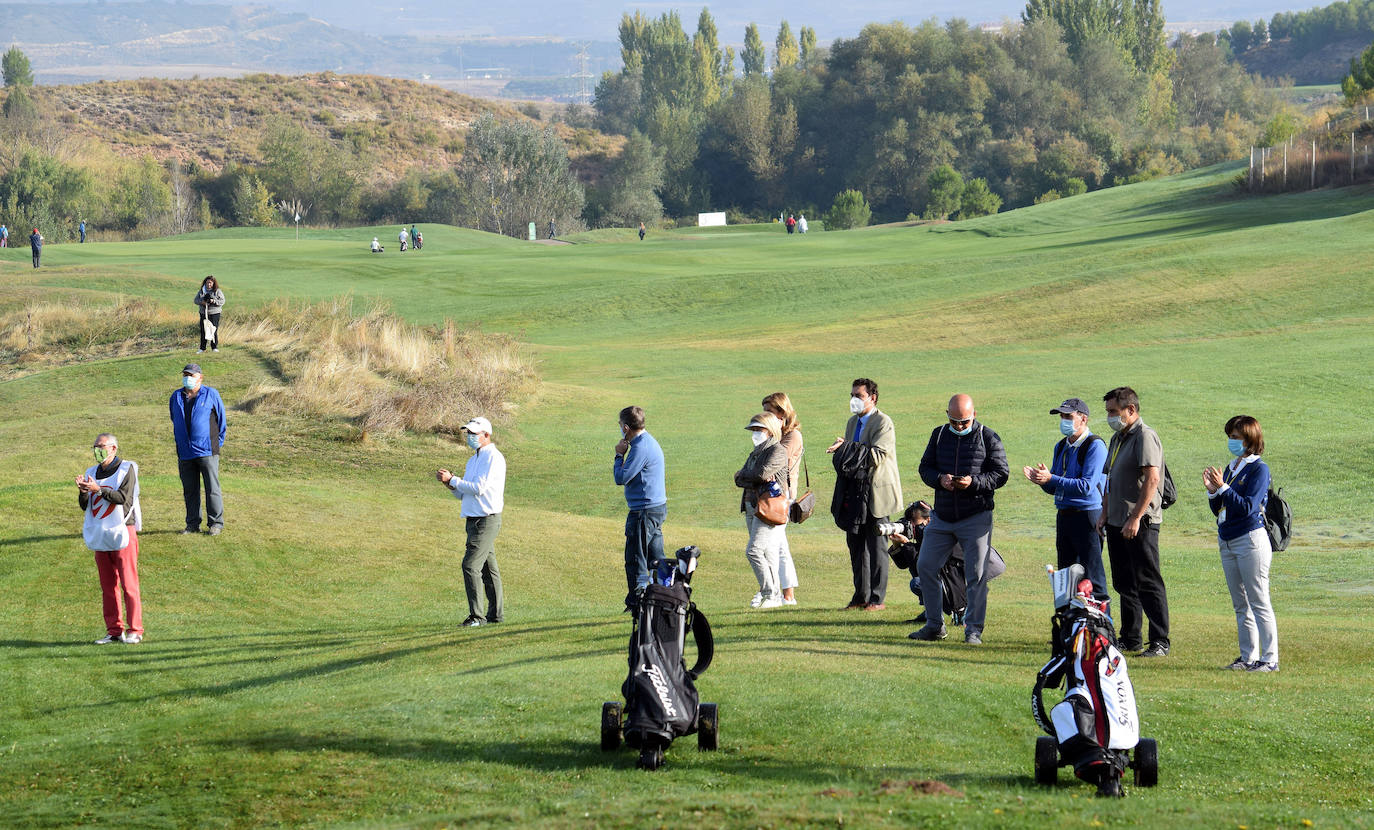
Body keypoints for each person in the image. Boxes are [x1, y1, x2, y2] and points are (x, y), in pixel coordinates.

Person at [911, 394, 1009, 644]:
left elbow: (1001, 474)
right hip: (942, 517)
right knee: (926, 566)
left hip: (975, 517)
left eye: (964, 422)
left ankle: (973, 631)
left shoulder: (989, 437)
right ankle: (934, 626)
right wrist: (939, 479)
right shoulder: (939, 435)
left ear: (974, 414)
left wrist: (973, 483)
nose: (959, 426)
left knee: (976, 574)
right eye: (954, 421)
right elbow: (925, 468)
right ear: (947, 415)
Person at [1096, 386, 1170, 657]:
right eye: (1108, 412)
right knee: (1124, 581)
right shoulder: (1118, 438)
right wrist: (1104, 514)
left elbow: (1152, 479)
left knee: (1148, 581)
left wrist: (1136, 517)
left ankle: (1160, 641)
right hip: (1116, 521)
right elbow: (1108, 480)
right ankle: (1130, 637)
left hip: (1140, 522)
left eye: (1114, 412)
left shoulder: (1145, 436)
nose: (1110, 417)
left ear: (1131, 410)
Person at [1205, 415, 1278, 672]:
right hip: (1227, 538)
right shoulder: (1232, 467)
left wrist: (1223, 487)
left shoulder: (1259, 469)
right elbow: (1221, 508)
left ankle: (1269, 659)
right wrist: (1214, 491)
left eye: (1236, 437)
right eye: (1230, 436)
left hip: (1250, 540)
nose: (1231, 441)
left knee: (1258, 600)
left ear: (1250, 439)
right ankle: (1248, 657)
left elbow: (1248, 507)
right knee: (1240, 604)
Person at [1023, 397, 1109, 600]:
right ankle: (1069, 629)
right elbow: (1057, 488)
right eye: (1062, 416)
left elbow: (1086, 487)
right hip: (1064, 517)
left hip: (1089, 517)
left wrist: (1051, 478)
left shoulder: (1095, 446)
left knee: (1092, 577)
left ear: (1084, 419)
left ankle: (1102, 629)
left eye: (1068, 416)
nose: (1064, 420)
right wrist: (1043, 481)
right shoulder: (1061, 446)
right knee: (1065, 578)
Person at [828, 378, 901, 611]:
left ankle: (877, 599)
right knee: (856, 545)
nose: (853, 400)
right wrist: (843, 448)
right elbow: (851, 456)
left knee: (878, 546)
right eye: (852, 395)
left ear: (873, 398)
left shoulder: (883, 422)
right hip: (854, 493)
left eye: (859, 396)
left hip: (876, 494)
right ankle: (860, 596)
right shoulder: (852, 422)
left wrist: (846, 448)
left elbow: (877, 456)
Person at [437, 416, 507, 627]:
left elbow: (479, 488)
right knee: (488, 569)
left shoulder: (493, 457)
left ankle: (477, 617)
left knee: (470, 566)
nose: (469, 437)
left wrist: (453, 480)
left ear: (486, 435)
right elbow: (464, 494)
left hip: (486, 520)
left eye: (473, 434)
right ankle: (495, 615)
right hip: (474, 519)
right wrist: (450, 486)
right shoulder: (474, 459)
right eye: (467, 433)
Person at [77, 433, 144, 644]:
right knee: (108, 586)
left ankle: (135, 630)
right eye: (95, 446)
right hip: (101, 532)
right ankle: (114, 630)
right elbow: (84, 505)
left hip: (123, 530)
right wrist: (84, 492)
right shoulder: (91, 472)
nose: (98, 450)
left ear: (113, 448)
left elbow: (123, 498)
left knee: (129, 584)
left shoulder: (127, 469)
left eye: (101, 446)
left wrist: (98, 490)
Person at [614, 405, 666, 611]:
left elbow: (621, 477)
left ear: (626, 427)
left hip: (643, 511)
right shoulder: (647, 441)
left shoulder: (639, 447)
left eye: (620, 425)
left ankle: (636, 603)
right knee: (656, 558)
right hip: (655, 508)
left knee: (636, 559)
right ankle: (663, 597)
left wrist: (619, 455)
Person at [734, 412, 788, 609]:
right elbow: (740, 479)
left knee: (754, 551)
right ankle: (773, 597)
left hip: (769, 508)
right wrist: (748, 476)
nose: (755, 433)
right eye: (753, 430)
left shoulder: (777, 450)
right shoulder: (756, 451)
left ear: (770, 430)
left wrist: (747, 475)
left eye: (759, 429)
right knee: (766, 552)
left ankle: (769, 593)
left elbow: (761, 473)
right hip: (752, 506)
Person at [169, 363, 227, 535]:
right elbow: (174, 418)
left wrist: (216, 443)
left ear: (200, 377)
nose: (188, 378)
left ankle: (215, 523)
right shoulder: (176, 396)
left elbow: (222, 422)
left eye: (192, 375)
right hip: (185, 452)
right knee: (190, 490)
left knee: (212, 488)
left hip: (207, 450)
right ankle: (192, 524)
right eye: (186, 374)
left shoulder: (211, 394)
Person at [763, 392, 803, 605]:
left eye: (769, 411)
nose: (765, 416)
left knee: (775, 545)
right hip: (773, 495)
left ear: (781, 412)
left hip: (782, 497)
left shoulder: (792, 436)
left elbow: (775, 461)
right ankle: (784, 593)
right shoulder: (775, 434)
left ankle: (782, 594)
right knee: (778, 545)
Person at [194, 276, 224, 353]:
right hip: (203, 313)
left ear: (213, 283)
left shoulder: (217, 291)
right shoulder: (201, 291)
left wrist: (213, 301)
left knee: (213, 330)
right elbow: (195, 300)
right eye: (207, 282)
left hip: (215, 313)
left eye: (210, 282)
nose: (208, 284)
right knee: (203, 330)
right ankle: (202, 348)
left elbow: (222, 301)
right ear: (205, 283)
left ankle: (214, 347)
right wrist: (202, 302)